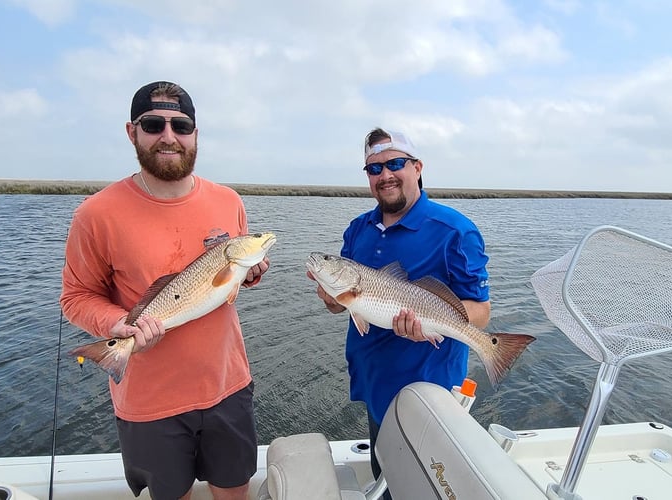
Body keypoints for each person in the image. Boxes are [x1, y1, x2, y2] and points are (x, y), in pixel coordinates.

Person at [60, 81, 269, 500]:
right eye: (153, 124)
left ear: (196, 133)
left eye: (182, 125)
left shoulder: (228, 200)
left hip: (227, 386)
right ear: (131, 131)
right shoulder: (95, 213)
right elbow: (76, 296)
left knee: (235, 490)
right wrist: (119, 325)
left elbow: (225, 284)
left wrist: (249, 274)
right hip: (149, 400)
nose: (169, 136)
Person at [309, 128, 491, 498]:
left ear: (418, 167)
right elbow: (346, 303)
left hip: (429, 390)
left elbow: (482, 312)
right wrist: (333, 298)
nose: (385, 175)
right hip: (375, 383)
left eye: (395, 164)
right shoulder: (358, 229)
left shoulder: (455, 230)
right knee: (383, 472)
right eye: (374, 169)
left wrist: (429, 317)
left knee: (422, 487)